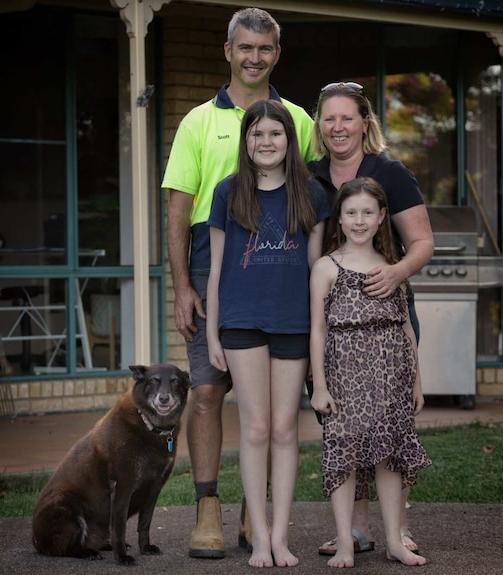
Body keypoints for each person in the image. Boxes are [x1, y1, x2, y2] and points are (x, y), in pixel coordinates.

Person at [162, 7, 315, 559]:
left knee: (276, 407)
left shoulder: (298, 118)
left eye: (265, 48)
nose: (255, 57)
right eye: (245, 47)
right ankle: (208, 507)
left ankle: (259, 510)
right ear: (228, 51)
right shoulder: (198, 121)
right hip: (212, 262)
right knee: (205, 390)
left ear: (277, 53)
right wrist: (183, 285)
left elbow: (318, 193)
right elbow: (178, 209)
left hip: (279, 267)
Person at [308, 81, 435, 557]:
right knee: (345, 431)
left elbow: (422, 241)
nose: (338, 127)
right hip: (334, 324)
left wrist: (397, 273)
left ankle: (395, 530)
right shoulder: (311, 175)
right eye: (329, 118)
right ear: (320, 126)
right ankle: (355, 531)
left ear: (365, 123)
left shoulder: (391, 173)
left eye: (347, 118)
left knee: (390, 431)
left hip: (386, 316)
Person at [206, 99, 327, 568]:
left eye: (275, 134)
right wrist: (214, 335)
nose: (267, 142)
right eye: (257, 134)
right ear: (247, 141)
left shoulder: (311, 194)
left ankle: (279, 535)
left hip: (293, 322)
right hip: (241, 322)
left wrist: (320, 335)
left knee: (284, 429)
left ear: (289, 141)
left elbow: (317, 272)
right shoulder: (228, 191)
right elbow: (216, 270)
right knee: (255, 430)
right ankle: (257, 537)